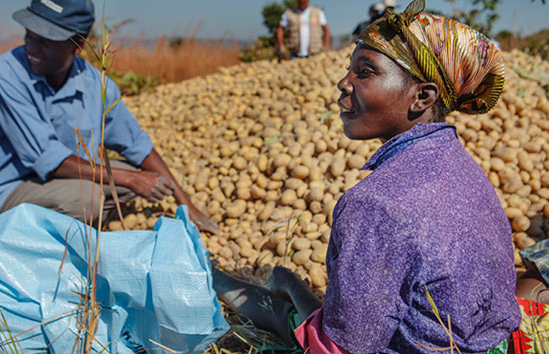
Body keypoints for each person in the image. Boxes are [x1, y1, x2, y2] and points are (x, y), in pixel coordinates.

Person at [214, 0, 522, 353]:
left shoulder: (376, 204)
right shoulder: (460, 162)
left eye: (365, 71)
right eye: (349, 69)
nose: (344, 83)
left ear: (421, 97)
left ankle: (231, 281)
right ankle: (280, 286)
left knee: (288, 321)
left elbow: (342, 348)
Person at [0, 0, 218, 234]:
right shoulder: (6, 74)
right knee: (88, 198)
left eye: (46, 40)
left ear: (78, 45)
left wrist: (186, 204)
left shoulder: (96, 83)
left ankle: (74, 227)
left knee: (137, 180)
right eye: (29, 34)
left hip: (54, 183)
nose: (32, 47)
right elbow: (49, 159)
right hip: (1, 192)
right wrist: (131, 178)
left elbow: (137, 145)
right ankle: (18, 237)